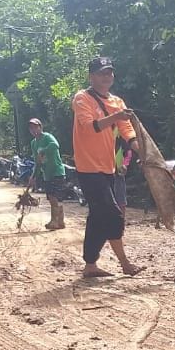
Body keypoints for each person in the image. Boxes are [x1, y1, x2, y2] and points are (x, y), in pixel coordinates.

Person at [72, 56, 144, 278]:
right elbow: (90, 126)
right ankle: (125, 263)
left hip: (108, 168)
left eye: (109, 73)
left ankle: (90, 265)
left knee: (97, 216)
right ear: (91, 76)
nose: (107, 77)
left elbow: (127, 131)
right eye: (102, 73)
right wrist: (116, 116)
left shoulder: (117, 101)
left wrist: (142, 150)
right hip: (88, 168)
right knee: (112, 214)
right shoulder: (82, 99)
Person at [28, 117, 67, 230]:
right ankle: (60, 221)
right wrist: (33, 176)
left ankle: (54, 221)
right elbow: (37, 162)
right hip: (47, 173)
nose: (34, 130)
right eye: (31, 128)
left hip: (57, 171)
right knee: (52, 198)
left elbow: (55, 145)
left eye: (36, 127)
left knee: (53, 197)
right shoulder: (33, 143)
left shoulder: (47, 137)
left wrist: (43, 150)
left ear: (40, 127)